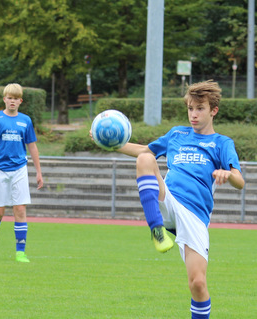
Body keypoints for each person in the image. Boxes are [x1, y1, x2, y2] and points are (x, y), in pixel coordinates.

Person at [92, 80, 244, 318]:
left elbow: (239, 180)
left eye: (200, 108)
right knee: (144, 160)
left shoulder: (222, 143)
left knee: (198, 284)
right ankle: (157, 230)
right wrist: (111, 143)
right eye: (190, 108)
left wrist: (228, 174)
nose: (193, 114)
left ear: (213, 110)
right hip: (168, 199)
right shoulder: (177, 134)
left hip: (194, 215)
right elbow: (145, 151)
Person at [0, 83, 44, 263]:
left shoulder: (26, 120)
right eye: (9, 98)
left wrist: (38, 172)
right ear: (4, 99)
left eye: (16, 98)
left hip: (19, 169)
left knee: (20, 209)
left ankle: (20, 252)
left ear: (20, 101)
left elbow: (32, 146)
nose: (12, 101)